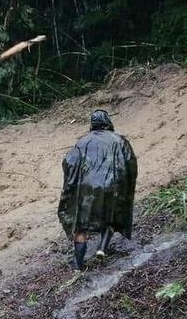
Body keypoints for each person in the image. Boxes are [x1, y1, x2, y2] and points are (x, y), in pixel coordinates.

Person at [58, 109, 138, 271]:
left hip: (86, 188)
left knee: (81, 225)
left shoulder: (82, 142)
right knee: (110, 216)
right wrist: (127, 184)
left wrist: (75, 181)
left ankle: (78, 264)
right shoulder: (119, 140)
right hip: (112, 185)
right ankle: (102, 248)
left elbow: (68, 162)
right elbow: (131, 162)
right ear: (108, 121)